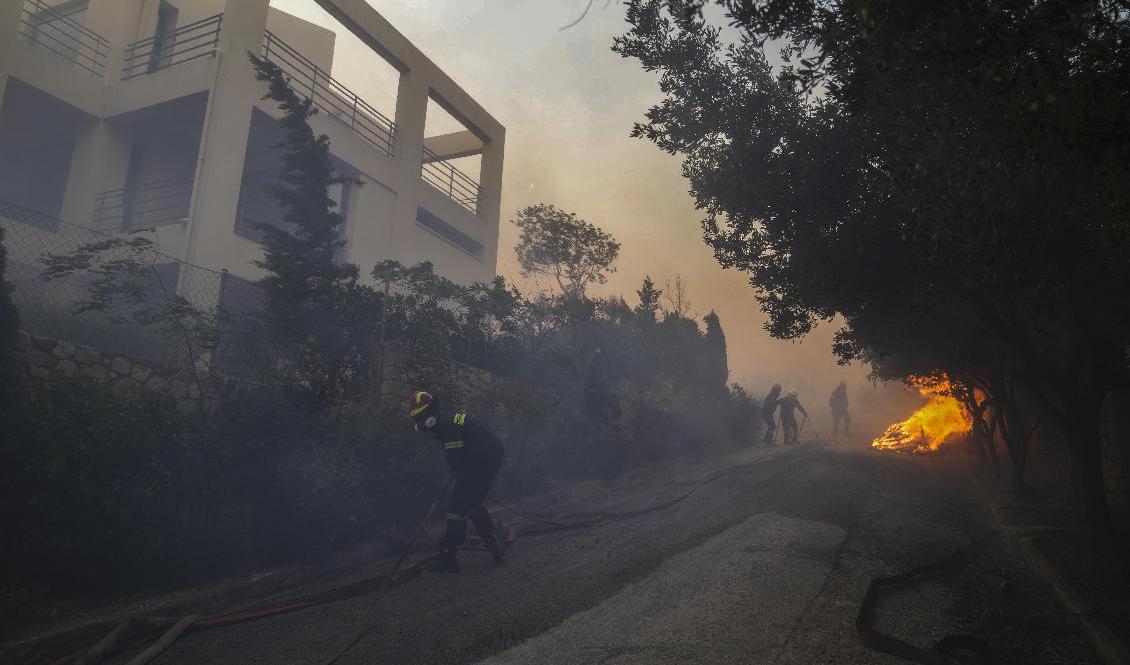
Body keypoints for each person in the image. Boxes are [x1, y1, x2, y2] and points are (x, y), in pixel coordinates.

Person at [409, 390, 506, 573]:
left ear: (431, 413)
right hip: (488, 454)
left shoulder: (446, 425)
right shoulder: (451, 418)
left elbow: (456, 459)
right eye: (417, 419)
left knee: (457, 506)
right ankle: (492, 542)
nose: (421, 423)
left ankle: (448, 555)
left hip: (481, 458)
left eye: (422, 417)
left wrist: (456, 470)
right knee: (470, 501)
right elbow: (467, 432)